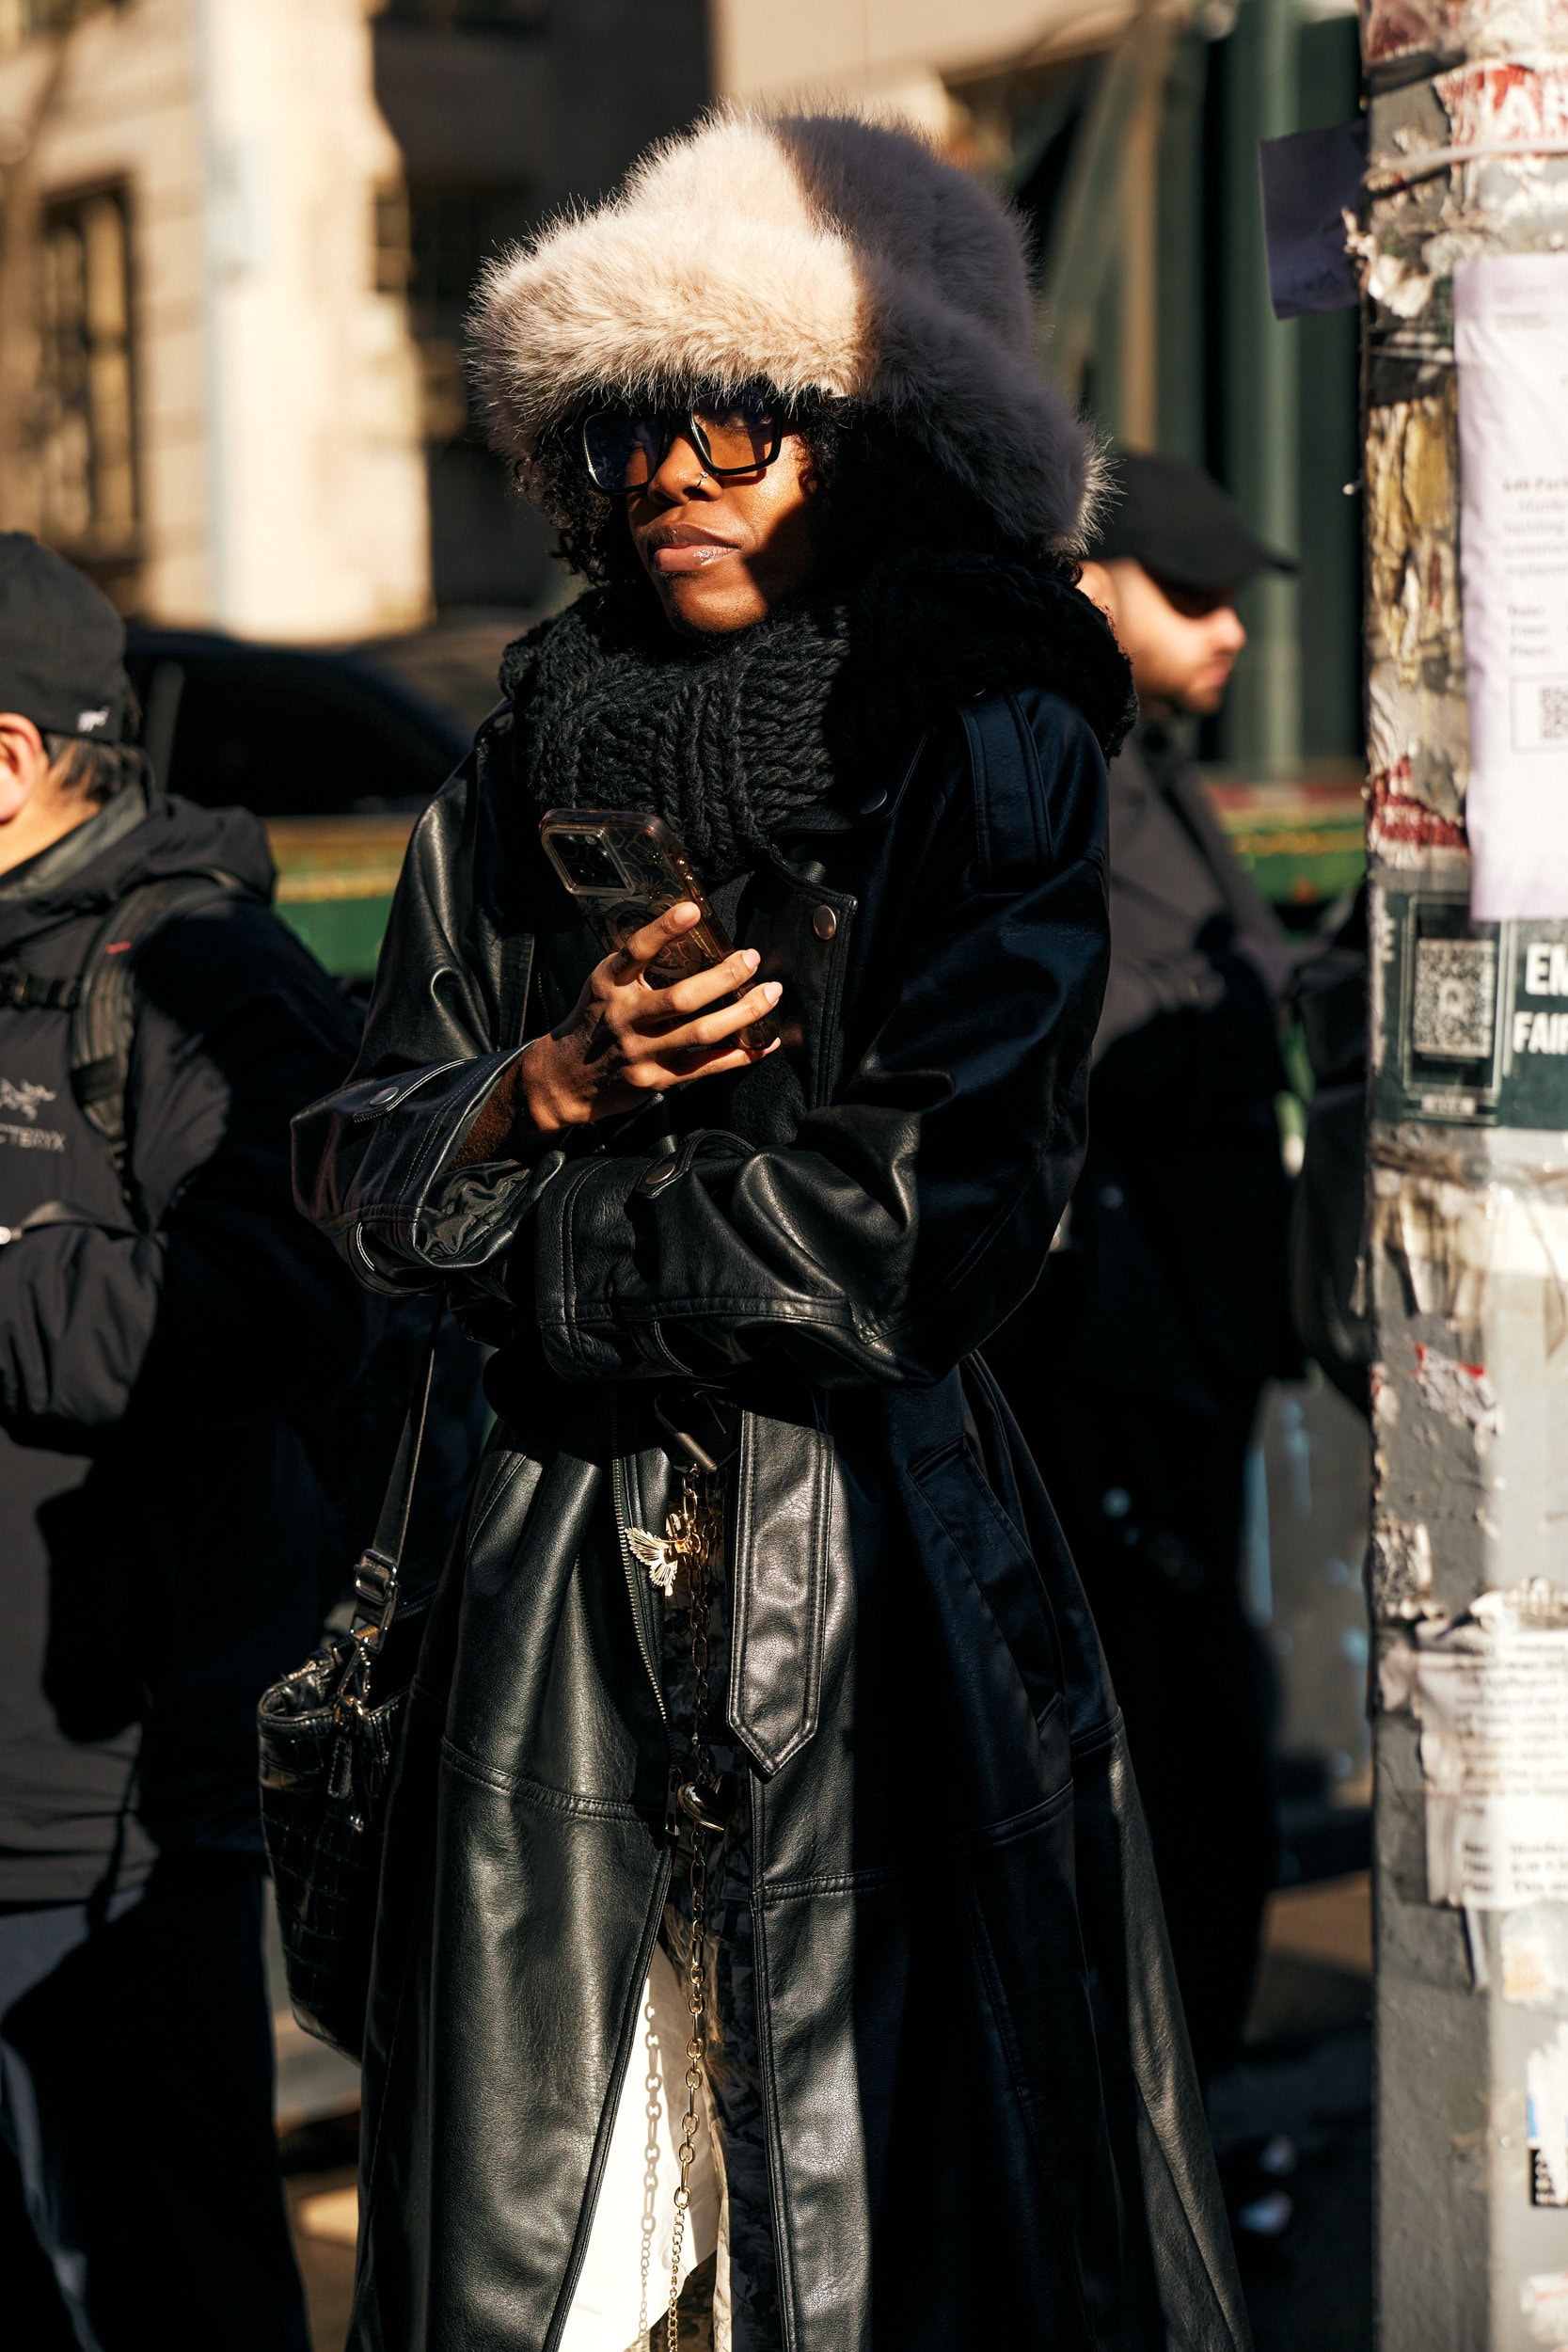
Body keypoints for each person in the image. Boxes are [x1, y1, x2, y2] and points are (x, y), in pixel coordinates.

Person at [293, 115, 1250, 2352]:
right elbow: (351, 1158)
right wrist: (542, 1088)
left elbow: (916, 1232)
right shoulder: (523, 746)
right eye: (625, 425)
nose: (671, 473)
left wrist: (530, 1235)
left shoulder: (987, 730)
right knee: (573, 2255)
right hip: (540, 1613)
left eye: (741, 416)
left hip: (878, 1601)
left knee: (879, 2233)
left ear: (879, 441)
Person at [0, 535, 372, 2350]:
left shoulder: (202, 978)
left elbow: (282, 1306)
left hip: (105, 1818)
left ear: (6, 759)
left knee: (161, 2294)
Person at [988, 450, 1301, 2090]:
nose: (1232, 628)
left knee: (1197, 1742)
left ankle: (1185, 2100)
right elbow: (1050, 1018)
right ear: (1092, 584)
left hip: (1185, 1353)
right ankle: (1152, 2116)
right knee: (1159, 1744)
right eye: (1194, 593)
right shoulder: (1051, 774)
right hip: (1114, 1363)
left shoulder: (1148, 769)